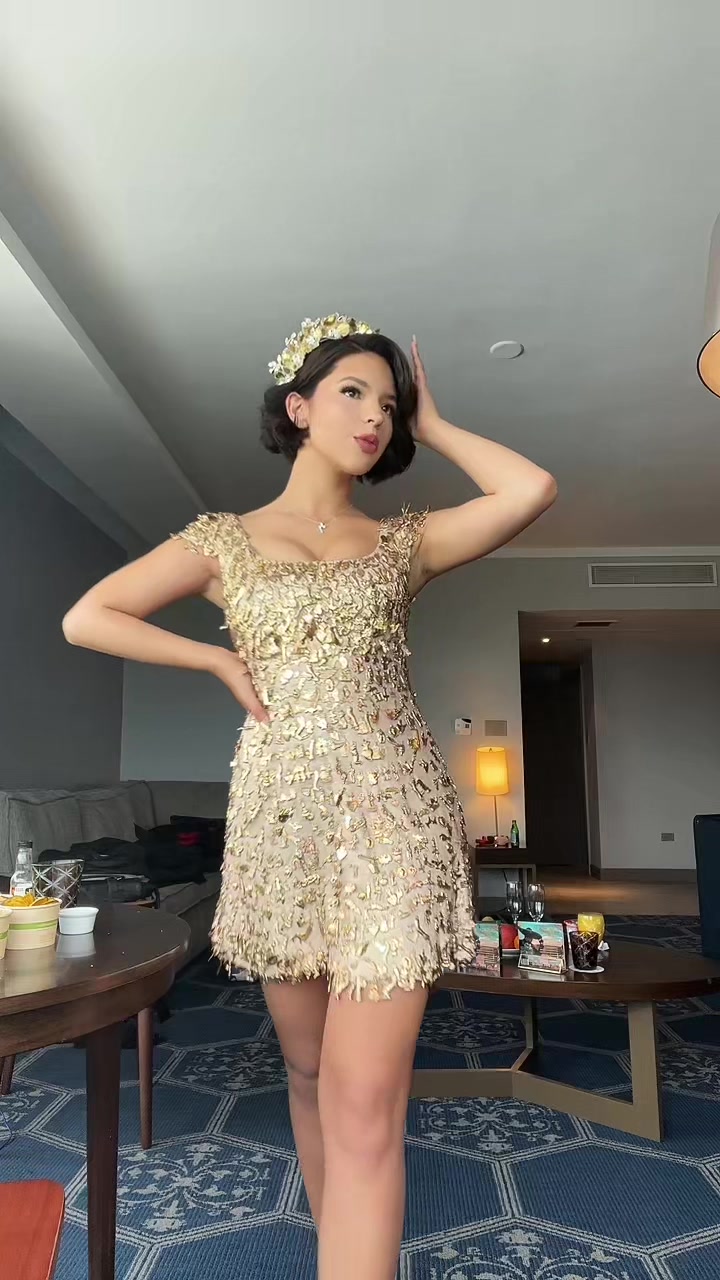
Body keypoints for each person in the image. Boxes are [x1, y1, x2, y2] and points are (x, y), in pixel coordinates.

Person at [63, 314, 556, 1280]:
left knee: (364, 1103)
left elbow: (529, 488)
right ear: (298, 408)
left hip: (397, 825)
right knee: (310, 1071)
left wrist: (437, 424)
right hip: (281, 830)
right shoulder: (225, 542)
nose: (376, 418)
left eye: (389, 404)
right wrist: (212, 658)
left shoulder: (406, 542)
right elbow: (90, 616)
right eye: (353, 393)